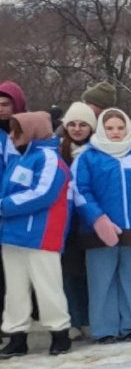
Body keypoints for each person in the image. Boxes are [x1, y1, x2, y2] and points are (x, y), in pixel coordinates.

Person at [69, 107, 131, 344]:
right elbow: (80, 191)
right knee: (102, 282)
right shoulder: (88, 157)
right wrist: (97, 219)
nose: (115, 132)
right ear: (101, 129)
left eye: (120, 128)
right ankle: (105, 329)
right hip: (99, 233)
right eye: (110, 128)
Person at [1, 111, 73, 356]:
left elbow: (42, 194)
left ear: (32, 131)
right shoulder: (19, 159)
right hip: (12, 234)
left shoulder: (49, 158)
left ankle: (59, 332)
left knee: (48, 286)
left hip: (41, 234)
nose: (12, 136)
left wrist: (4, 206)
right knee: (15, 290)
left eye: (17, 131)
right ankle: (16, 335)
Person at [57, 103, 98, 334]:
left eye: (83, 124)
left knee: (90, 272)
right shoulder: (58, 151)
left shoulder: (98, 151)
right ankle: (74, 319)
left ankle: (91, 318)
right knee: (69, 272)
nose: (77, 129)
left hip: (90, 219)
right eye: (72, 124)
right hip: (66, 222)